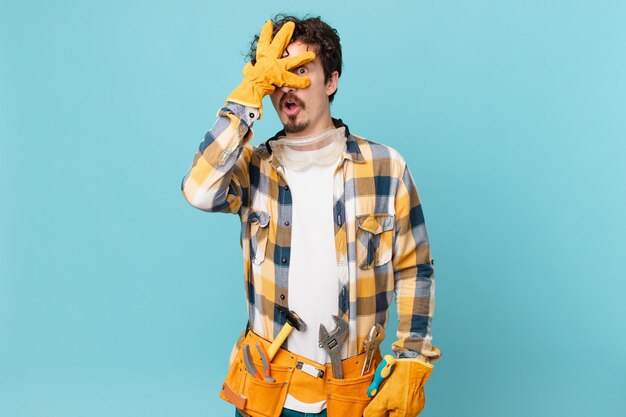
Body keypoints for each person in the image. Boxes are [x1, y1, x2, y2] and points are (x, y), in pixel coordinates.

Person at [181, 15, 441, 417]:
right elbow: (198, 190)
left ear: (331, 80)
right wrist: (246, 97)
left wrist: (412, 357)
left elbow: (415, 269)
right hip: (266, 390)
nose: (288, 84)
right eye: (278, 73)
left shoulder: (386, 167)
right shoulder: (253, 168)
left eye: (301, 70)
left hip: (356, 394)